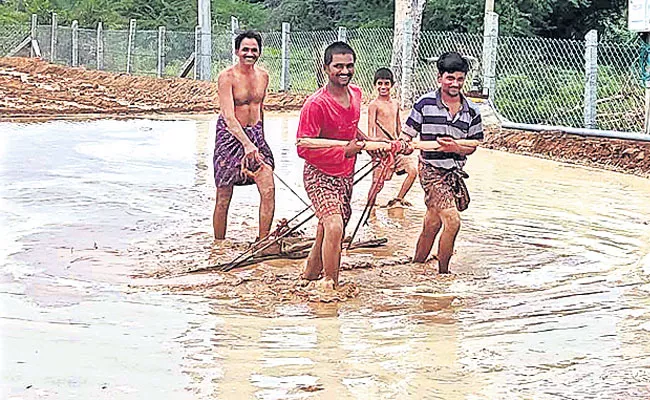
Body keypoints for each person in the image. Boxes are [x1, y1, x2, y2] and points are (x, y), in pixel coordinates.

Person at [401, 52, 484, 273]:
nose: (455, 84)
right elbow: (406, 136)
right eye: (450, 78)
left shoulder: (472, 111)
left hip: (454, 173)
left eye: (459, 79)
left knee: (433, 223)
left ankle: (416, 267)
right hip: (430, 170)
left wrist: (455, 147)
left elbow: (473, 145)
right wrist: (403, 145)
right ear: (439, 77)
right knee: (453, 221)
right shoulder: (424, 104)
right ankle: (443, 274)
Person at [296, 41, 365, 289]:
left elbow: (350, 129)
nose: (344, 71)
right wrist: (344, 151)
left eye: (349, 66)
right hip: (319, 174)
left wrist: (371, 146)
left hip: (345, 174)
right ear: (326, 68)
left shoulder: (356, 95)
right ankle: (330, 285)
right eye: (338, 66)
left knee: (328, 228)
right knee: (335, 226)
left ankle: (309, 275)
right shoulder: (316, 104)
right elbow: (303, 147)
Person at [212, 30, 276, 248]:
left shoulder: (263, 76)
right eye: (245, 49)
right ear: (237, 51)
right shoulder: (226, 77)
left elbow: (261, 109)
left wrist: (259, 140)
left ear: (259, 52)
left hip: (255, 135)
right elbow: (229, 116)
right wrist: (246, 144)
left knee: (268, 188)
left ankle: (263, 242)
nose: (250, 53)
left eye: (254, 50)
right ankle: (218, 246)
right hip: (230, 137)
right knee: (223, 195)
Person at [367, 67, 417, 208]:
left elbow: (399, 127)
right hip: (382, 150)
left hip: (396, 149)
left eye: (386, 83)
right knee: (377, 184)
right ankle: (370, 210)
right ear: (375, 85)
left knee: (412, 171)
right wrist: (374, 147)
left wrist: (405, 142)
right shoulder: (373, 105)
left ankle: (398, 199)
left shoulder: (395, 103)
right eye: (380, 84)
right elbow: (371, 129)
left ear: (392, 85)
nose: (383, 87)